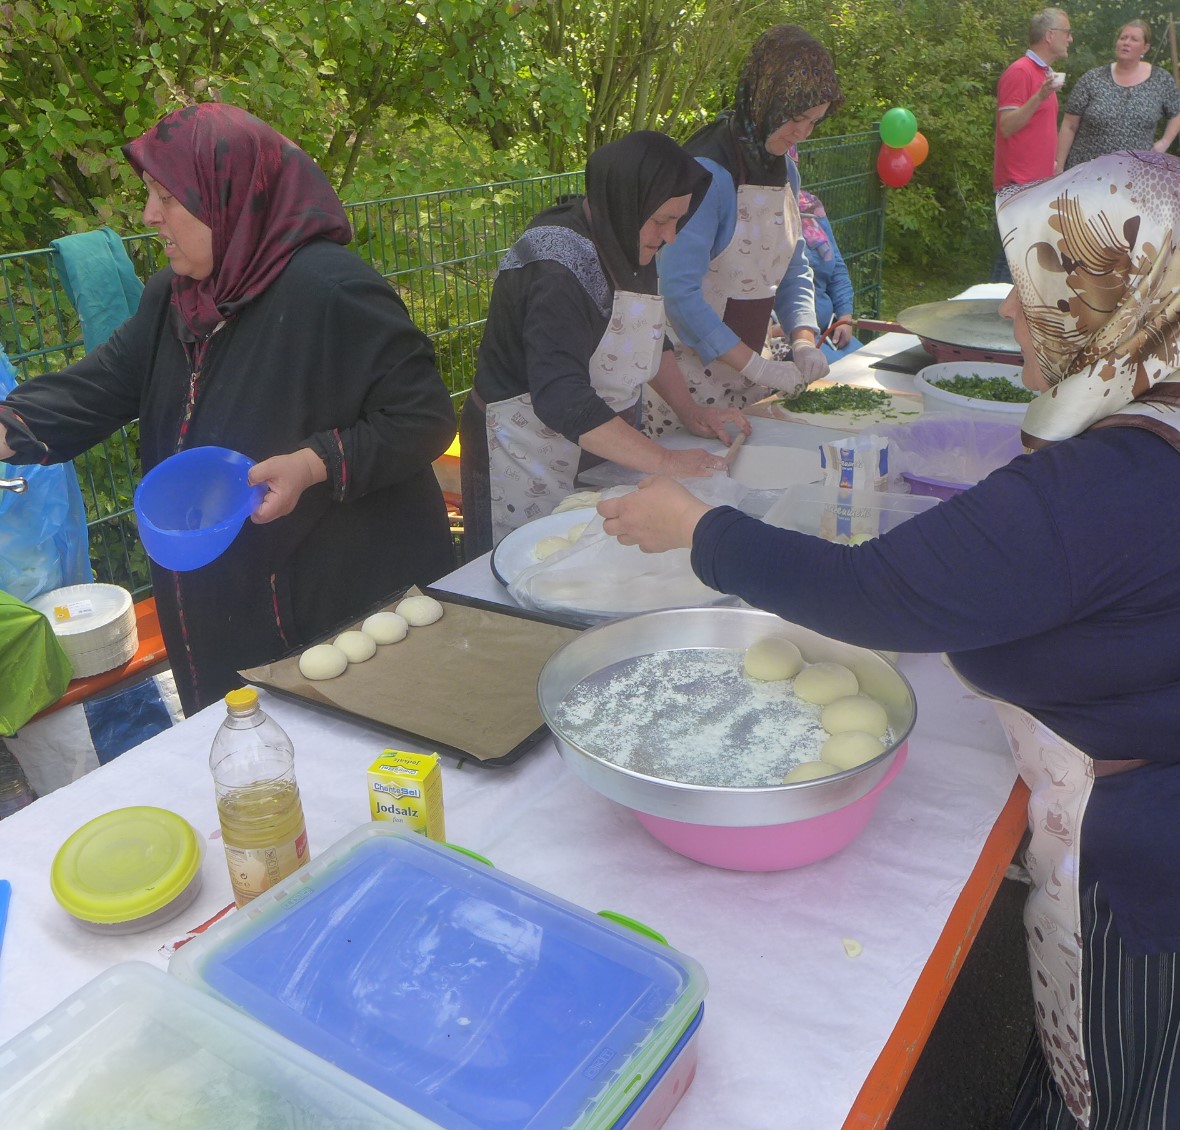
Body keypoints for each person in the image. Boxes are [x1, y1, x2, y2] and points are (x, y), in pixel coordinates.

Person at [599, 149, 1180, 1130]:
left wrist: (700, 529)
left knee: (1139, 1113)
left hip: (1158, 871)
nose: (1014, 309)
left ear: (1108, 295)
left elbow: (883, 596)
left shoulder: (1116, 480)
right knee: (1096, 1089)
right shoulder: (1172, 412)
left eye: (1040, 283)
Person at [0, 103, 457, 715]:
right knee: (248, 763)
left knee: (347, 757)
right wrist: (10, 429)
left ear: (228, 196)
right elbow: (99, 386)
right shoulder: (176, 295)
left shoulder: (332, 291)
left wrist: (314, 463)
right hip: (222, 593)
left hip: (337, 598)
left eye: (167, 197)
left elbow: (424, 416)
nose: (148, 216)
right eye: (148, 194)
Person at [460, 130, 750, 557]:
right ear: (627, 200)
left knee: (593, 559)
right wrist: (667, 462)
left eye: (678, 221)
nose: (671, 236)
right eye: (662, 220)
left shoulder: (628, 237)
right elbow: (561, 396)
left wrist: (690, 411)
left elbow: (648, 334)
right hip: (523, 451)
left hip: (598, 440)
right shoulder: (555, 268)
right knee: (526, 569)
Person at [644, 25, 844, 438]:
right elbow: (679, 295)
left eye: (814, 121)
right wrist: (757, 366)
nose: (803, 133)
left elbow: (793, 266)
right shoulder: (707, 172)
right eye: (796, 118)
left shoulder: (786, 170)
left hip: (754, 375)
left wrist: (803, 337)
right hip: (688, 382)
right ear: (766, 99)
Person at [992, 8, 1071, 281]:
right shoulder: (1020, 72)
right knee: (1012, 263)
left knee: (1021, 263)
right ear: (1050, 35)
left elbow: (1037, 131)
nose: (1070, 39)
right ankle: (995, 318)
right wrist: (1039, 96)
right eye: (1067, 33)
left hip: (1038, 184)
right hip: (1019, 186)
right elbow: (1007, 126)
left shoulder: (1044, 74)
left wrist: (1051, 164)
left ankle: (1004, 318)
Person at [1055, 20, 1180, 172]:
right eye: (1123, 38)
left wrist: (1165, 142)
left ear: (1145, 47)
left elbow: (1179, 111)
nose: (1126, 43)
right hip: (1087, 173)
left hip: (1133, 175)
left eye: (1134, 39)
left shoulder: (1160, 79)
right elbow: (1069, 125)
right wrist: (1059, 166)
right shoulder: (1092, 79)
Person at [794, 185, 862, 363]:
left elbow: (837, 268)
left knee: (866, 365)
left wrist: (845, 318)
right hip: (791, 338)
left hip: (828, 331)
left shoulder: (809, 205)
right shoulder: (755, 215)